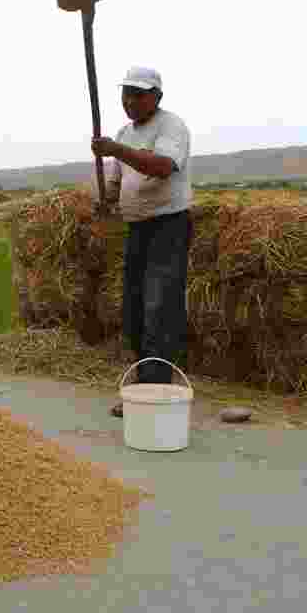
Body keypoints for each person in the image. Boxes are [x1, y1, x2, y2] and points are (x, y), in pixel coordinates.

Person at [89, 66, 193, 417]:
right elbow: (119, 182)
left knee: (158, 307)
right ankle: (145, 388)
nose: (130, 101)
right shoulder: (123, 132)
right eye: (126, 94)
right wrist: (105, 199)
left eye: (138, 94)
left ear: (157, 97)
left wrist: (116, 149)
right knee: (134, 308)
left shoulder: (170, 126)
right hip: (138, 228)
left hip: (169, 225)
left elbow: (162, 166)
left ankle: (154, 395)